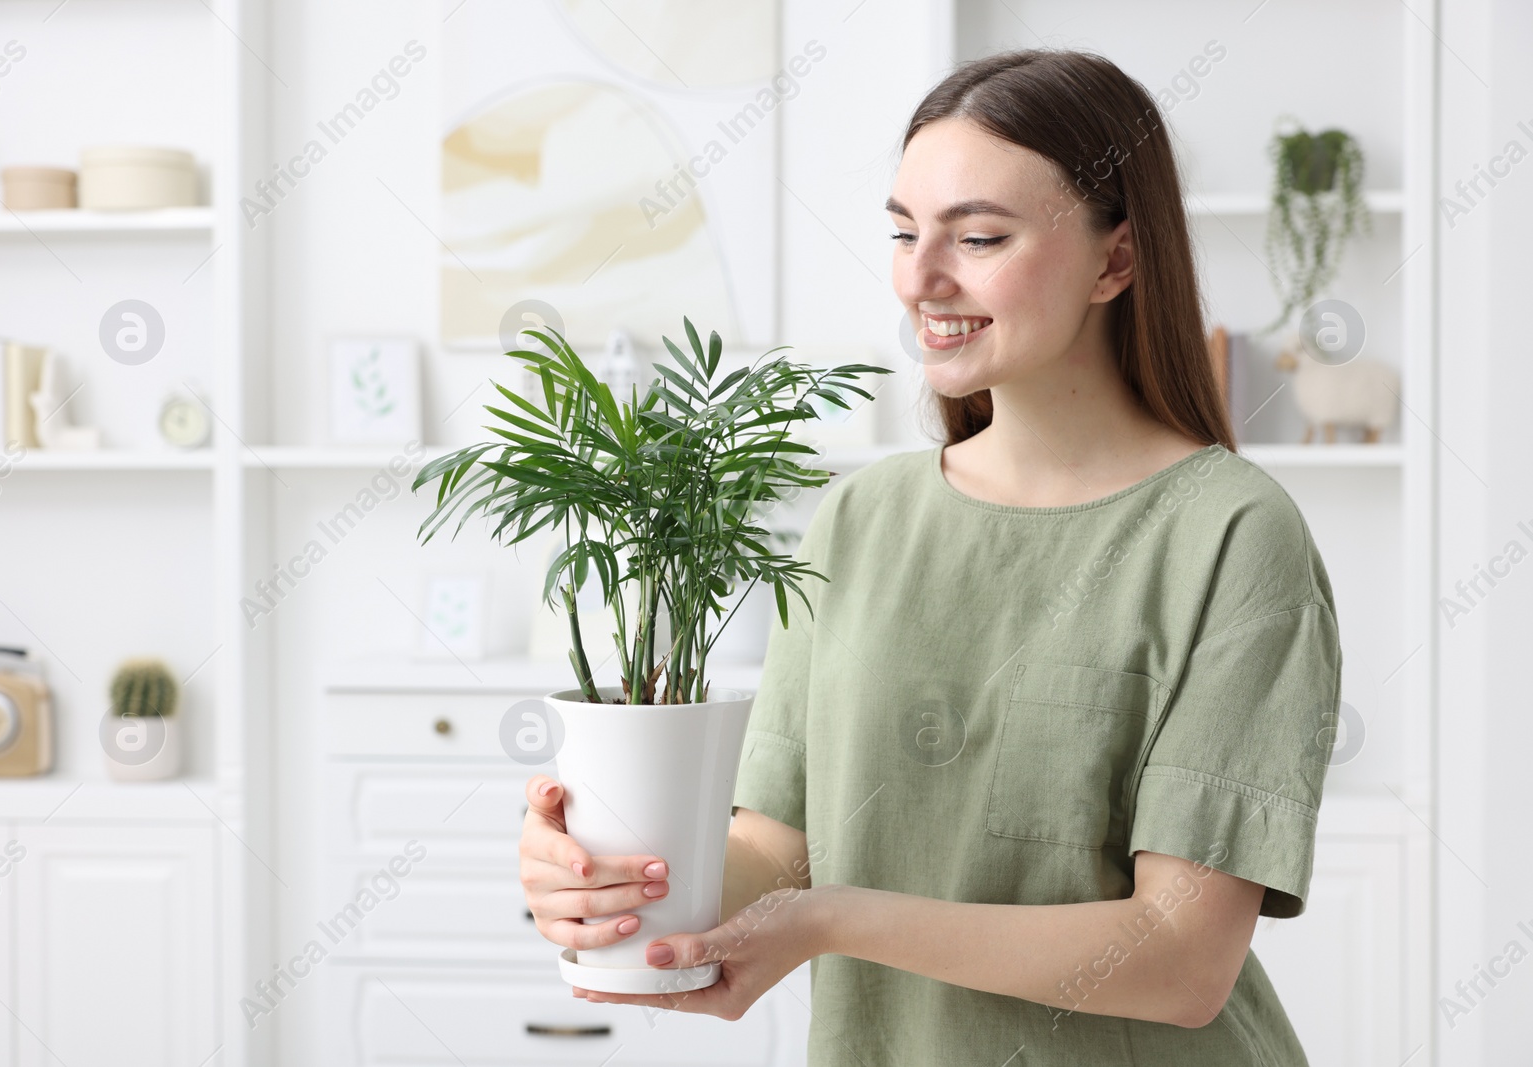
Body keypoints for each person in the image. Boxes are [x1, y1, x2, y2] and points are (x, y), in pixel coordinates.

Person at [518, 47, 1342, 1066]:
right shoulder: (861, 517)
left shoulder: (1229, 533)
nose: (920, 278)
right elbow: (780, 851)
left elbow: (1179, 959)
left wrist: (832, 919)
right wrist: (610, 872)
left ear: (1115, 261)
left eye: (979, 236)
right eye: (904, 233)